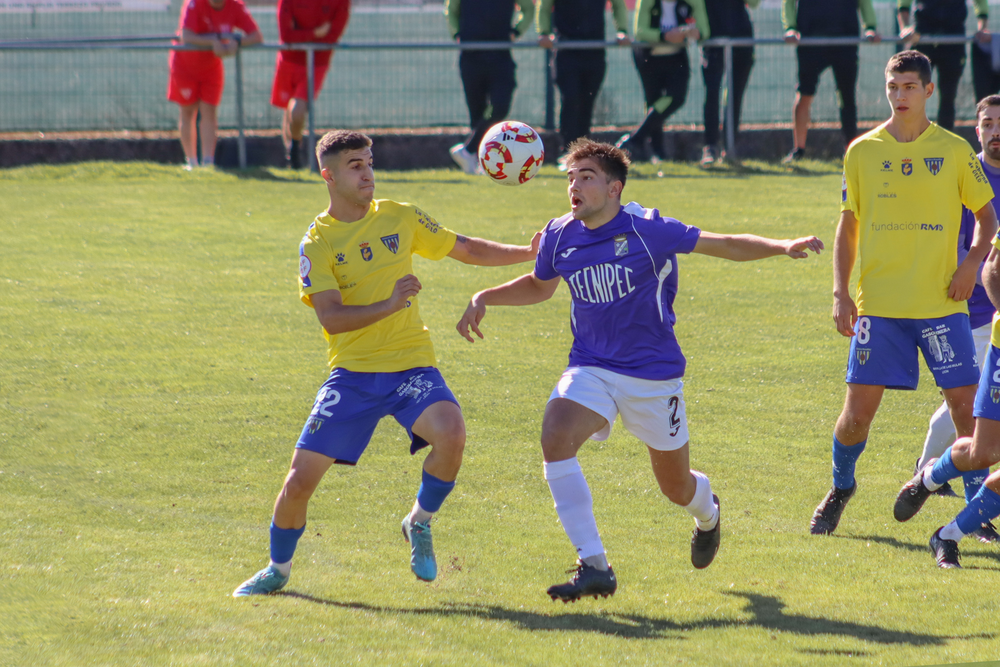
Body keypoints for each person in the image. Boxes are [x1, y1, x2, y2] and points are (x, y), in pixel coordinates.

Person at [456, 138, 823, 601]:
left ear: (615, 188)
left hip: (653, 376)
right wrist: (484, 296)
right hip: (591, 366)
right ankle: (593, 564)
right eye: (570, 177)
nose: (574, 186)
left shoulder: (650, 230)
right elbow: (539, 285)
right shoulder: (559, 234)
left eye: (586, 176)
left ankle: (708, 514)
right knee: (555, 435)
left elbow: (722, 243)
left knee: (676, 487)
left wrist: (781, 245)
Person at [232, 130, 539, 596]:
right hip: (352, 375)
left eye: (369, 162)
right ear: (328, 175)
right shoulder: (316, 242)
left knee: (451, 433)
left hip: (411, 365)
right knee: (298, 482)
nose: (367, 172)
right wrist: (391, 303)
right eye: (355, 165)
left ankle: (419, 521)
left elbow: (467, 248)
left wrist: (530, 252)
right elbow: (332, 318)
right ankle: (278, 569)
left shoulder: (400, 216)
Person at [810, 51, 998, 537]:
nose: (900, 96)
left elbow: (987, 221)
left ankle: (974, 512)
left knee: (966, 412)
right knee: (855, 419)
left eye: (910, 87)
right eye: (893, 87)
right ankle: (841, 487)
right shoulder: (862, 151)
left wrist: (969, 267)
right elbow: (847, 226)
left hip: (941, 306)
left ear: (929, 91)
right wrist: (839, 292)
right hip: (881, 308)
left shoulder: (955, 151)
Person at [895, 98, 1000, 560]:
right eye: (988, 124)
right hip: (966, 306)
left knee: (970, 413)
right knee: (972, 416)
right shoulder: (964, 174)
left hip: (987, 316)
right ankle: (934, 481)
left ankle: (929, 478)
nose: (996, 131)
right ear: (976, 130)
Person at [780, 0, 879, 163]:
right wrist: (790, 28)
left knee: (847, 97)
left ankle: (850, 151)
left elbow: (865, 3)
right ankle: (798, 150)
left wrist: (870, 27)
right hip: (810, 41)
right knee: (805, 93)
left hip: (845, 41)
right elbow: (788, 3)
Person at [168, 0, 262, 170]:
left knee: (209, 112)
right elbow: (186, 36)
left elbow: (256, 36)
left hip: (211, 67)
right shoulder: (194, 4)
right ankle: (191, 162)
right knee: (187, 112)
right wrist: (213, 41)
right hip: (185, 65)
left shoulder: (235, 6)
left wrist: (237, 42)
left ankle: (208, 163)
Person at [446, 0, 536, 175]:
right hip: (471, 55)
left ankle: (467, 150)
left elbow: (528, 8)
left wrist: (516, 30)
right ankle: (478, 161)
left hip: (500, 54)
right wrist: (456, 32)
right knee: (476, 111)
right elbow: (451, 10)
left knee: (499, 107)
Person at [536, 0, 630, 167]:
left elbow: (618, 5)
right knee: (571, 99)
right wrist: (543, 32)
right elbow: (543, 7)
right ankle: (568, 152)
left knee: (587, 102)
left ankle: (582, 154)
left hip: (594, 51)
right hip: (566, 50)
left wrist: (621, 30)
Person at [616, 0, 710, 162]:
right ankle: (657, 153)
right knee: (652, 101)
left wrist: (696, 33)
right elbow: (640, 31)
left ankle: (635, 140)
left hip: (676, 57)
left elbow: (704, 30)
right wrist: (665, 36)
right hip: (648, 57)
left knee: (676, 98)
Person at [271, 0, 351, 169]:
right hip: (289, 60)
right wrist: (315, 33)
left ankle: (294, 149)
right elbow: (286, 36)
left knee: (298, 109)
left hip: (316, 63)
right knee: (289, 109)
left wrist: (301, 34)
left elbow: (332, 36)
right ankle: (291, 152)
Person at [898, 0, 987, 132]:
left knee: (948, 96)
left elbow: (981, 4)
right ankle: (909, 136)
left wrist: (982, 29)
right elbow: (903, 5)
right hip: (922, 40)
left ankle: (945, 141)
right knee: (912, 92)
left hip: (953, 41)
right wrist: (905, 27)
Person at [699, 0, 759, 166]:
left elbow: (754, 3)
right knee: (712, 93)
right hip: (713, 40)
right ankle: (710, 147)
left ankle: (730, 146)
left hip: (742, 39)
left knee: (735, 95)